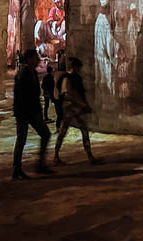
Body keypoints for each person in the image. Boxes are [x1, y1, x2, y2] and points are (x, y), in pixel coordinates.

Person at [12, 49, 53, 179]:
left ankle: (39, 164)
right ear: (29, 59)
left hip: (32, 111)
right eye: (35, 57)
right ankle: (17, 169)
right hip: (25, 112)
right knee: (22, 140)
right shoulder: (23, 73)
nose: (38, 60)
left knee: (44, 135)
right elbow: (22, 95)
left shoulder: (32, 72)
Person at [53, 57, 102, 166]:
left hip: (75, 108)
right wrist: (81, 104)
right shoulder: (67, 79)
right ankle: (56, 156)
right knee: (63, 132)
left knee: (82, 130)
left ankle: (90, 156)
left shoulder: (75, 78)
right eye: (78, 67)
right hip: (69, 109)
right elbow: (66, 95)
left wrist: (83, 104)